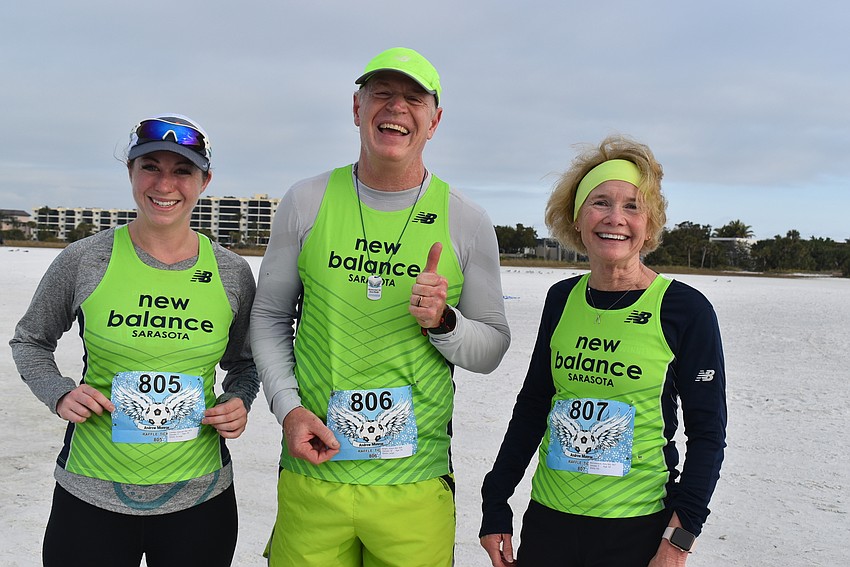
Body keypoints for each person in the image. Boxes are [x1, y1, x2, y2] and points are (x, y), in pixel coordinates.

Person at [250, 47, 511, 566]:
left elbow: (492, 349)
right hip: (314, 472)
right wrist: (289, 408)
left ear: (434, 120)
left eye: (413, 98)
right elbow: (270, 318)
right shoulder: (306, 201)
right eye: (382, 95)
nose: (396, 109)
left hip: (414, 486)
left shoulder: (466, 219)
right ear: (356, 108)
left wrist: (445, 322)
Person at [10, 113, 259, 567]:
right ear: (130, 171)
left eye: (182, 170)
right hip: (91, 491)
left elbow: (246, 362)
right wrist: (59, 393)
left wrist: (238, 400)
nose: (165, 185)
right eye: (150, 167)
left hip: (199, 495)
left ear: (204, 180)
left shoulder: (232, 272)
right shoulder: (85, 258)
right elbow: (29, 340)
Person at [479, 135, 727, 567]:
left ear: (650, 224)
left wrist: (679, 539)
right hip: (549, 523)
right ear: (576, 217)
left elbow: (707, 435)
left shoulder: (685, 309)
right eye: (600, 202)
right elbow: (534, 405)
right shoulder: (561, 299)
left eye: (633, 205)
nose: (616, 218)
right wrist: (495, 500)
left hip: (637, 529)